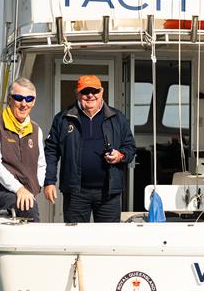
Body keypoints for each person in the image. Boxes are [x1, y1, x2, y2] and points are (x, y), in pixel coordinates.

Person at [44, 75, 136, 223]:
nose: (90, 95)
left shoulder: (117, 117)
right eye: (85, 91)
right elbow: (51, 152)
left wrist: (120, 155)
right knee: (75, 241)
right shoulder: (62, 118)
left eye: (95, 91)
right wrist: (49, 182)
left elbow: (130, 147)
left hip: (109, 193)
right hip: (75, 193)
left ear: (102, 92)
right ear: (78, 93)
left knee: (108, 242)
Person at [0, 78, 46, 221]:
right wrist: (19, 189)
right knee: (29, 207)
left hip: (23, 191)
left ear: (33, 102)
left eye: (29, 99)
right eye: (18, 98)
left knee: (28, 202)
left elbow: (41, 164)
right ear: (9, 100)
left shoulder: (36, 129)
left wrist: (35, 188)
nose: (24, 104)